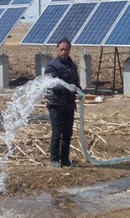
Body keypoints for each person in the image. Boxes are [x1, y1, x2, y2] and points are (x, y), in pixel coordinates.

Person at [44, 37, 81, 168]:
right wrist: (67, 87)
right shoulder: (52, 66)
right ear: (57, 50)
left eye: (66, 49)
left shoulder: (72, 65)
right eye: (61, 49)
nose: (64, 52)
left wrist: (79, 90)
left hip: (69, 105)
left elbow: (76, 82)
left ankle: (65, 159)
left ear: (70, 50)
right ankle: (54, 160)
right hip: (55, 104)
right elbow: (51, 84)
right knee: (56, 133)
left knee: (67, 133)